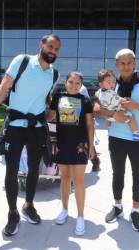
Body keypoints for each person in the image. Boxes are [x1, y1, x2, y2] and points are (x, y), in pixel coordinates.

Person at [0, 34, 61, 236]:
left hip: (36, 127)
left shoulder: (54, 74)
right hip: (15, 126)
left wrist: (55, 113)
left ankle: (28, 205)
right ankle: (13, 212)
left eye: (56, 49)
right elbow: (1, 89)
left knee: (34, 168)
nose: (53, 51)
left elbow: (44, 98)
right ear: (41, 45)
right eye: (50, 47)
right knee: (12, 170)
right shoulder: (22, 61)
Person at [94, 48, 139, 231]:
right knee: (117, 174)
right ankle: (118, 206)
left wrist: (136, 106)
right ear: (117, 65)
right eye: (122, 63)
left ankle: (135, 211)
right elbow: (97, 107)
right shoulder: (110, 83)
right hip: (116, 138)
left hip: (138, 140)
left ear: (135, 63)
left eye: (130, 62)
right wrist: (113, 114)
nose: (126, 66)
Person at [46, 72, 95, 236]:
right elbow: (50, 116)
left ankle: (80, 216)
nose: (74, 85)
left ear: (81, 86)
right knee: (65, 178)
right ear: (65, 82)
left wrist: (92, 146)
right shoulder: (57, 98)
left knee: (79, 180)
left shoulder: (86, 101)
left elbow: (89, 125)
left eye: (77, 83)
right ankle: (64, 209)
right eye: (71, 82)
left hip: (80, 145)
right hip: (62, 144)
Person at [95, 69, 139, 141]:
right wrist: (127, 100)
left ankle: (109, 128)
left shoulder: (99, 92)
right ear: (101, 84)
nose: (112, 84)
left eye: (113, 82)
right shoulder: (111, 93)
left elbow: (97, 96)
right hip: (116, 114)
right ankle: (136, 133)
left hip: (108, 117)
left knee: (109, 112)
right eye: (108, 82)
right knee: (130, 117)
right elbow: (119, 100)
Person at [79, 84, 101, 172]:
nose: (74, 85)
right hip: (70, 121)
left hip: (83, 120)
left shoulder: (82, 89)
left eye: (77, 82)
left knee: (87, 143)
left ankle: (95, 161)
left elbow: (87, 106)